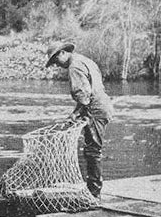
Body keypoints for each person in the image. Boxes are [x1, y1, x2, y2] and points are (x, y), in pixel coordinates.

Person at [45, 42, 113, 199]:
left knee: (92, 150)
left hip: (95, 109)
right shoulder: (85, 60)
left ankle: (94, 193)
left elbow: (84, 97)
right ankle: (93, 189)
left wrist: (75, 114)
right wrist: (76, 114)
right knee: (92, 148)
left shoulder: (74, 67)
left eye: (56, 61)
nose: (56, 65)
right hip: (103, 105)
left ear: (62, 53)